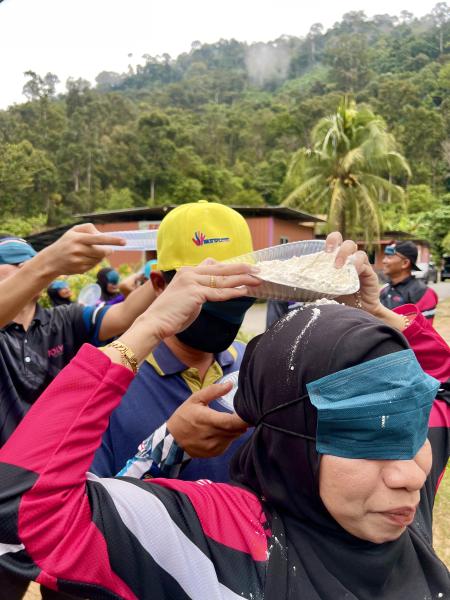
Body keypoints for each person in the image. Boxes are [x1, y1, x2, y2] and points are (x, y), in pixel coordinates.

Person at [0, 237, 448, 600]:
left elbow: (439, 389)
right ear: (292, 440)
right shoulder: (217, 541)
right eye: (365, 438)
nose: (411, 476)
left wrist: (379, 316)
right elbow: (23, 515)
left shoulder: (399, 502)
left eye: (411, 430)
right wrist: (144, 333)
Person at [91, 200, 256, 481]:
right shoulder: (107, 383)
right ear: (159, 284)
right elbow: (85, 503)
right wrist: (168, 448)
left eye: (238, 281)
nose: (227, 295)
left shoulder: (255, 367)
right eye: (209, 282)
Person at [0, 231, 157, 447]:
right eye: (15, 261)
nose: (26, 266)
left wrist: (168, 270)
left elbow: (124, 314)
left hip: (58, 455)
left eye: (31, 260)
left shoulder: (66, 318)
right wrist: (45, 264)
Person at [380, 240, 438, 322]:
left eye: (389, 257)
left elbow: (423, 328)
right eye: (385, 256)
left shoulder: (423, 292)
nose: (384, 261)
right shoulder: (383, 290)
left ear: (405, 263)